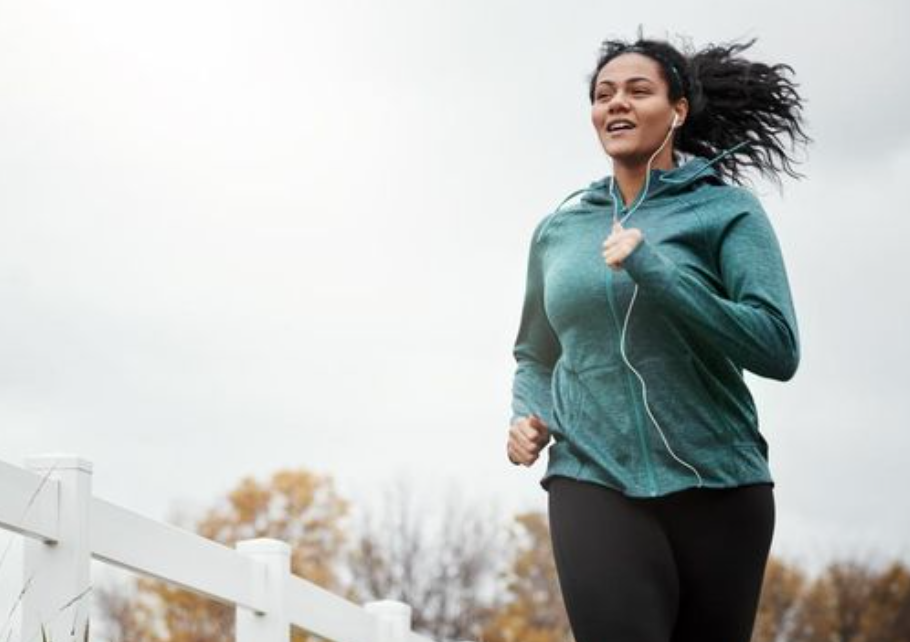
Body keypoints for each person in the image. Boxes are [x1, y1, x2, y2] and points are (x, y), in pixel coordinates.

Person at [507, 34, 809, 642]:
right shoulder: (559, 231)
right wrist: (527, 416)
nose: (616, 104)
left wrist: (660, 274)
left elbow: (777, 347)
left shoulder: (726, 213)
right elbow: (535, 353)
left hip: (721, 484)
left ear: (677, 110)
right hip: (592, 473)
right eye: (603, 94)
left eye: (638, 90)